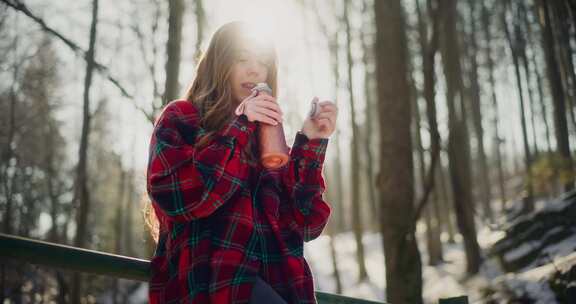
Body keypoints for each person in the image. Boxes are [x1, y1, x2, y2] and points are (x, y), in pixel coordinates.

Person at [146, 21, 338, 304]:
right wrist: (239, 125)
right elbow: (183, 198)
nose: (255, 69)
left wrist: (311, 143)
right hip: (215, 289)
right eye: (242, 58)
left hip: (283, 289)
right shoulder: (181, 118)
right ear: (218, 63)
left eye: (263, 61)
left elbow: (306, 223)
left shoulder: (268, 141)